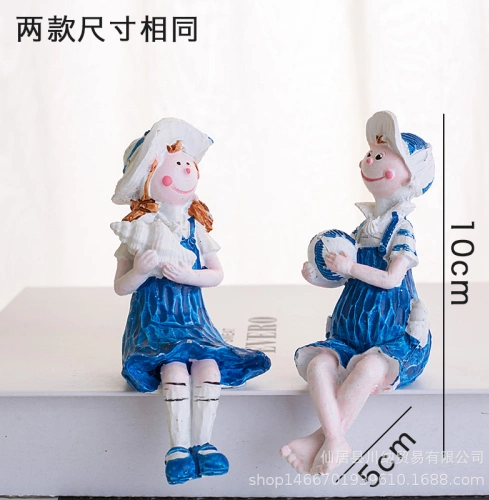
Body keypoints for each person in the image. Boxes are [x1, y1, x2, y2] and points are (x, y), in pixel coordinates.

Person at [111, 118, 271, 485]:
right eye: (176, 164)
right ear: (149, 180)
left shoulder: (195, 229)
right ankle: (177, 449)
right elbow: (121, 287)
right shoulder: (139, 231)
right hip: (153, 324)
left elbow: (216, 274)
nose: (187, 168)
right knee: (173, 371)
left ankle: (204, 443)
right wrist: (141, 270)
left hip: (192, 320)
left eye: (189, 163)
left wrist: (188, 276)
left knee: (209, 368)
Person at [281, 111, 434, 475]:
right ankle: (335, 439)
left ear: (409, 176)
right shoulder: (363, 228)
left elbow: (392, 279)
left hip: (391, 339)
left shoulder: (401, 229)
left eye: (380, 156)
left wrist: (350, 268)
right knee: (318, 365)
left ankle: (324, 438)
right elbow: (344, 278)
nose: (368, 161)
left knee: (367, 369)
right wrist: (321, 277)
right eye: (369, 154)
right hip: (347, 336)